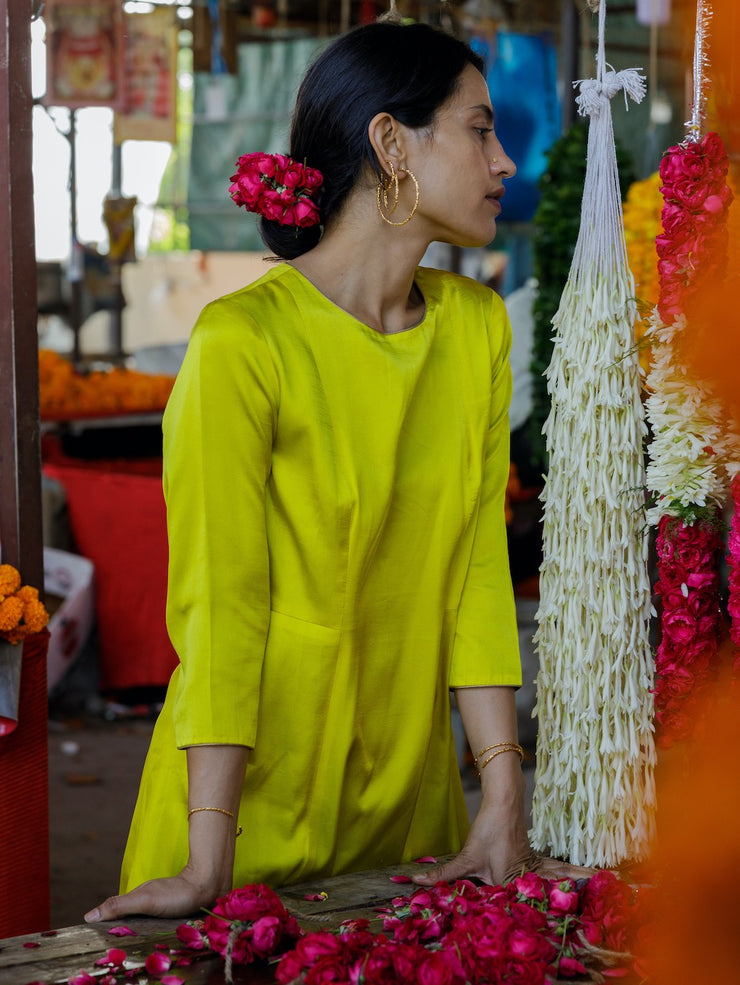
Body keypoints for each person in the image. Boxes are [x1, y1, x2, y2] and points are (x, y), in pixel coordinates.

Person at [86, 19, 591, 924]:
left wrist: (501, 805)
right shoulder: (244, 343)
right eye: (480, 128)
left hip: (416, 821)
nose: (506, 162)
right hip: (244, 816)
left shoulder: (476, 329)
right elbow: (222, 603)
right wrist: (209, 858)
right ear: (391, 143)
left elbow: (476, 572)